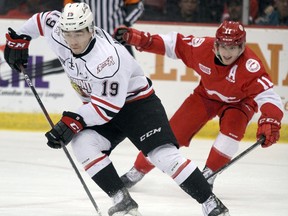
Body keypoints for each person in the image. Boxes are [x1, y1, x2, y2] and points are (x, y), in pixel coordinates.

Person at [4, 2, 230, 216]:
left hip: (137, 104)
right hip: (100, 104)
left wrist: (71, 121)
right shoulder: (59, 31)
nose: (72, 40)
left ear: (91, 29)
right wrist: (20, 39)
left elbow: (107, 109)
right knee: (83, 143)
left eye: (79, 33)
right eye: (68, 33)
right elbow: (41, 19)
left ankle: (211, 203)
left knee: (162, 156)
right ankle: (121, 200)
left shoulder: (108, 58)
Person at [113, 21, 284, 191]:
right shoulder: (202, 48)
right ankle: (137, 171)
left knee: (231, 133)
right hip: (206, 95)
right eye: (223, 46)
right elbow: (174, 44)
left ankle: (209, 175)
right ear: (216, 44)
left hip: (241, 103)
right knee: (170, 134)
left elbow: (269, 97)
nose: (227, 53)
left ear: (242, 47)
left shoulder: (250, 66)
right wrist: (141, 39)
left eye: (233, 48)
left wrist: (270, 120)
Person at [74, 0, 144, 56]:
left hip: (117, 38)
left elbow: (138, 7)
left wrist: (126, 24)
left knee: (129, 71)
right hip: (89, 40)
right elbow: (69, 8)